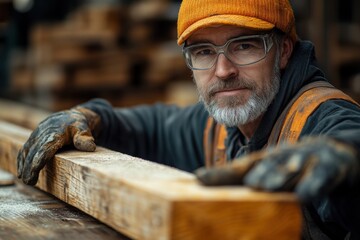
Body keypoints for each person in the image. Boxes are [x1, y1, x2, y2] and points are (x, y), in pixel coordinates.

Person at [17, 0, 360, 239]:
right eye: (204, 52)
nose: (223, 71)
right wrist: (90, 116)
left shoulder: (321, 119)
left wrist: (347, 156)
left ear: (283, 51)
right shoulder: (224, 128)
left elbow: (349, 136)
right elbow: (152, 129)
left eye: (244, 46)